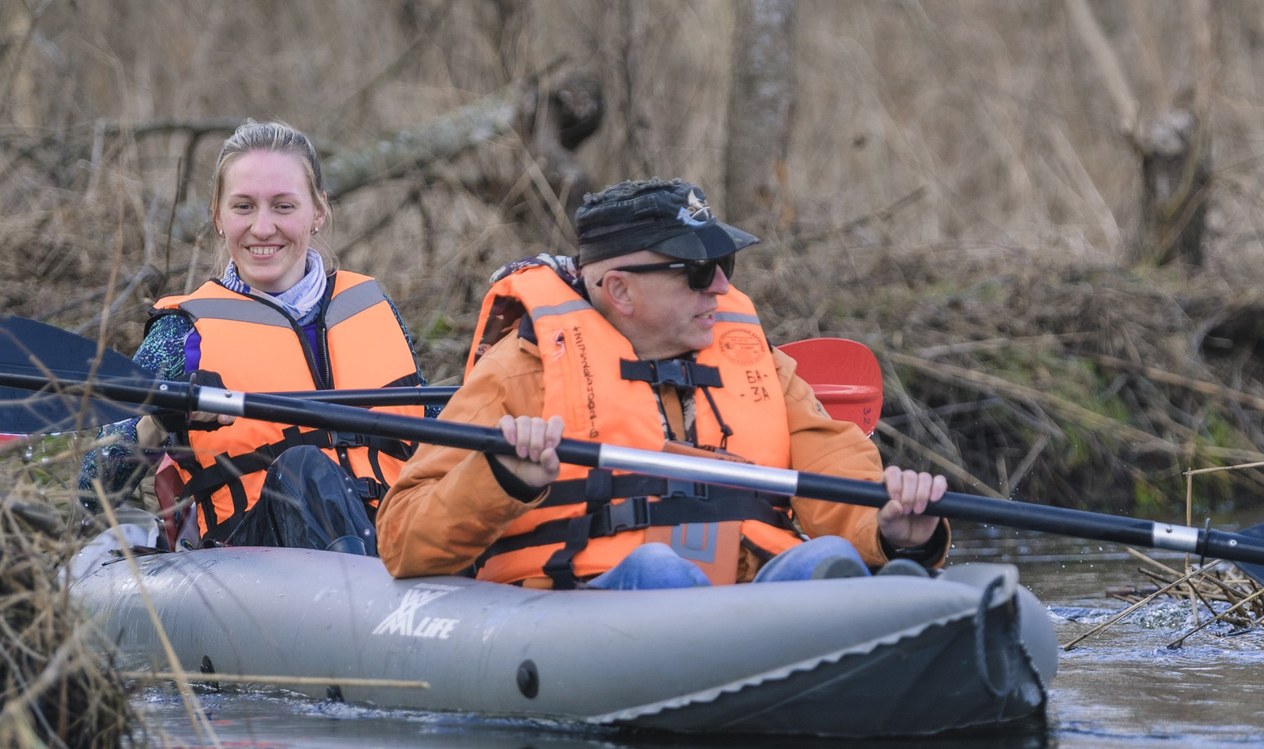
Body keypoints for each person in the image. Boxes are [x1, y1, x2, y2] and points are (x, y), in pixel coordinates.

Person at [376, 178, 951, 589]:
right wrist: (500, 477)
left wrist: (897, 533)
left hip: (748, 608)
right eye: (697, 271)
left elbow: (841, 484)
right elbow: (402, 540)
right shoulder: (517, 374)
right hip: (585, 609)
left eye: (724, 265)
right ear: (620, 290)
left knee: (820, 557)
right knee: (657, 571)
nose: (721, 287)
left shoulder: (765, 368)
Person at [84, 119, 426, 554]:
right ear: (218, 216)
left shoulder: (371, 307)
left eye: (283, 206)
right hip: (255, 561)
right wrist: (160, 420)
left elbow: (441, 437)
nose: (263, 228)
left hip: (400, 537)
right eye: (244, 207)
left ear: (318, 211)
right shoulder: (182, 332)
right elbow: (91, 492)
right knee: (304, 467)